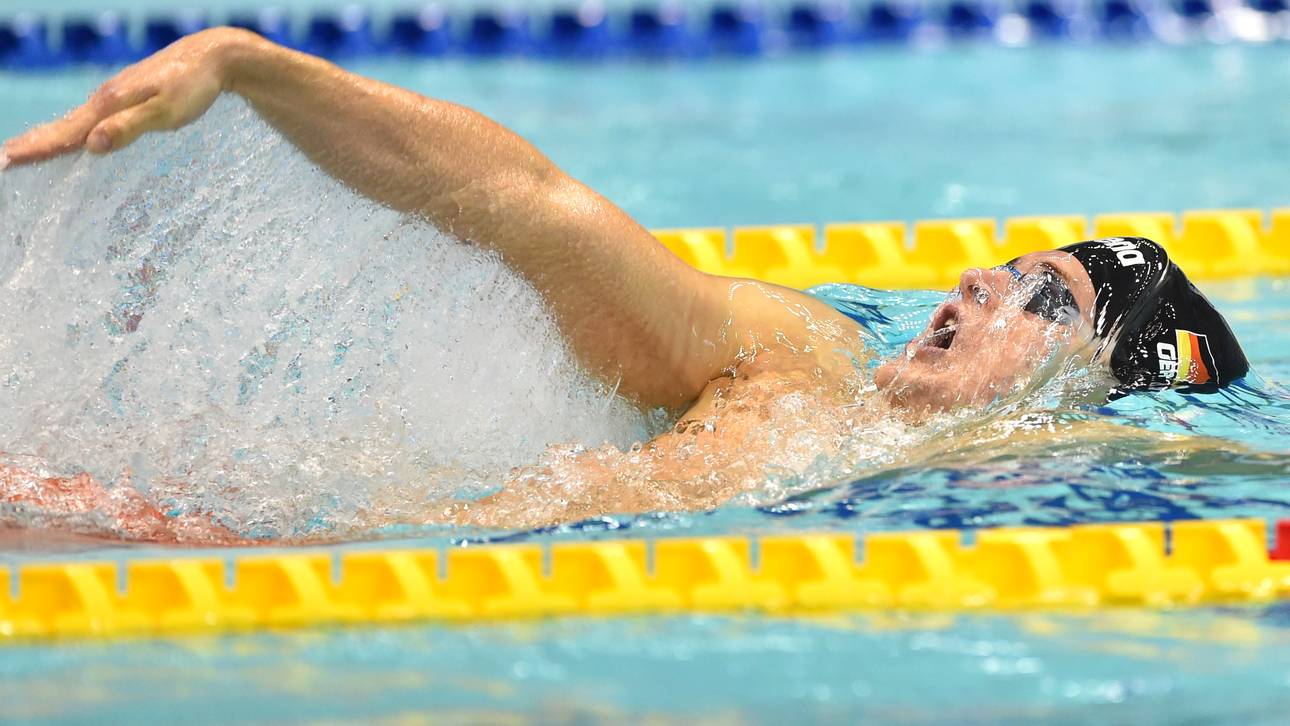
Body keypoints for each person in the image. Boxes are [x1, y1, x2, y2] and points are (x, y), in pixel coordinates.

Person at [0, 28, 1249, 536]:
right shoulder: (794, 362)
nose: (979, 277)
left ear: (1092, 388)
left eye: (1044, 300)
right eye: (1007, 266)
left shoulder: (1099, 496)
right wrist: (259, 69)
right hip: (234, 554)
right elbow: (532, 213)